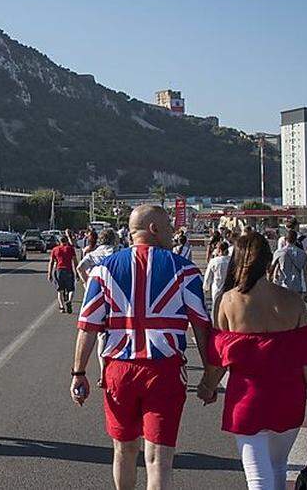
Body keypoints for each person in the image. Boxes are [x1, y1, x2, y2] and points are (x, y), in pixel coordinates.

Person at [71, 205, 212, 490]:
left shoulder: (103, 270)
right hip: (164, 371)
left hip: (119, 371)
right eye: (170, 228)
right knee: (159, 458)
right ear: (154, 229)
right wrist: (210, 376)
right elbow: (201, 327)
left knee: (123, 451)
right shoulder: (184, 271)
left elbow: (87, 326)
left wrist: (79, 372)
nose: (174, 234)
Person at [197, 233, 307, 489]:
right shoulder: (293, 301)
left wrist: (207, 388)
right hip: (289, 399)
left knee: (257, 477)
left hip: (248, 401)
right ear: (268, 262)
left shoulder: (229, 301)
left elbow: (219, 359)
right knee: (278, 467)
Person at [77, 228, 120, 387]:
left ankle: (103, 374)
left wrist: (87, 282)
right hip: (118, 295)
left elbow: (80, 267)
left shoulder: (94, 254)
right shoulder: (118, 252)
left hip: (98, 295)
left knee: (99, 335)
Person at [271, 229, 307, 300]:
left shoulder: (279, 252)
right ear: (296, 240)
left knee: (282, 309)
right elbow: (306, 273)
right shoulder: (302, 254)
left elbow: (271, 270)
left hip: (282, 287)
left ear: (285, 239)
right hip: (297, 287)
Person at [202, 235, 232, 320]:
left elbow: (208, 276)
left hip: (217, 288)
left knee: (216, 309)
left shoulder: (214, 261)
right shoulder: (232, 261)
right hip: (229, 288)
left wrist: (205, 288)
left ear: (219, 250)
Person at [49, 235, 77, 313]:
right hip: (68, 270)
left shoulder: (55, 249)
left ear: (59, 241)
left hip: (59, 270)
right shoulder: (70, 249)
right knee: (71, 289)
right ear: (67, 241)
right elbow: (75, 261)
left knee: (60, 290)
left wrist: (50, 273)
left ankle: (61, 307)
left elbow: (51, 262)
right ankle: (69, 301)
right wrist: (77, 273)